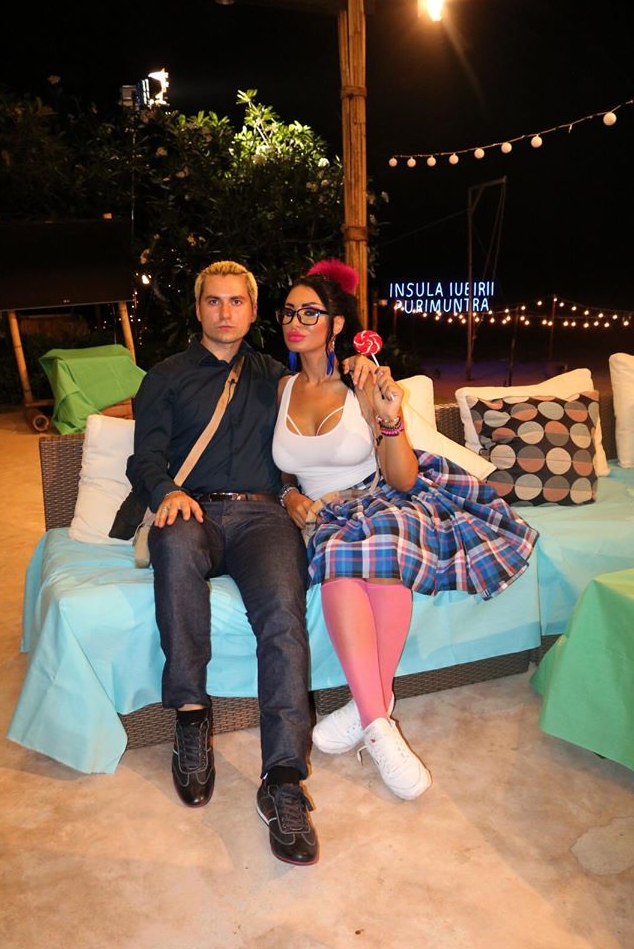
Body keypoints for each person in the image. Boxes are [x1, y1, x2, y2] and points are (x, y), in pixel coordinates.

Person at [126, 259, 373, 867]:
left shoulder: (276, 379)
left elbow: (320, 398)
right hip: (193, 510)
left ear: (253, 310)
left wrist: (358, 364)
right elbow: (144, 457)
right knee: (176, 545)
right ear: (198, 308)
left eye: (237, 301)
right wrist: (167, 493)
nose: (225, 311)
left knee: (283, 617)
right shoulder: (165, 376)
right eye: (213, 301)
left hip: (264, 518)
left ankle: (283, 778)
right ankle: (191, 717)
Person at [272, 259, 539, 801]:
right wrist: (290, 496)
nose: (295, 322)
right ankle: (377, 710)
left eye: (310, 312)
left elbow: (403, 477)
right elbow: (280, 468)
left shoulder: (362, 380)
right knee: (338, 548)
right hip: (323, 514)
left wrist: (389, 414)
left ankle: (373, 725)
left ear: (336, 324)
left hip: (381, 494)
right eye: (288, 312)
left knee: (370, 550)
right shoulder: (281, 387)